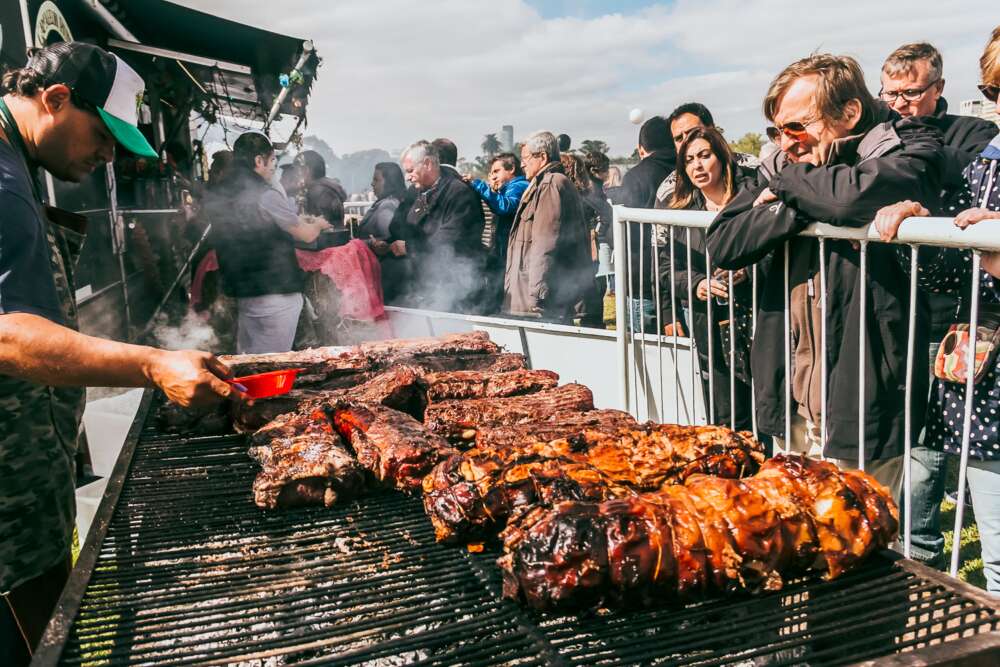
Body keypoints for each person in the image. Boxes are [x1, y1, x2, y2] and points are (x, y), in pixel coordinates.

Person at [0, 42, 237, 665]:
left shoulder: (15, 163)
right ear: (55, 100)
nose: (109, 156)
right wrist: (154, 364)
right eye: (103, 136)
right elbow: (6, 333)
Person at [705, 53, 956, 492]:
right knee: (792, 537)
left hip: (864, 403)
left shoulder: (909, 144)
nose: (786, 145)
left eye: (797, 127)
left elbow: (845, 201)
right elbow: (723, 240)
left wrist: (787, 190)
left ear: (850, 113)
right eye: (776, 131)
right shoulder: (782, 164)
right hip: (791, 397)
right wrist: (804, 206)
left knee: (863, 543)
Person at [872, 27, 1000, 587]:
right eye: (891, 96)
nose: (901, 106)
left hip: (971, 311)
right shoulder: (982, 149)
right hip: (941, 317)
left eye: (912, 94)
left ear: (939, 88)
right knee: (931, 442)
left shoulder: (971, 135)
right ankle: (922, 559)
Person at [658, 127, 755, 430]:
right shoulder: (679, 209)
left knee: (763, 408)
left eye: (704, 156)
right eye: (689, 160)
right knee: (725, 412)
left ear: (722, 156)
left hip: (758, 316)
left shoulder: (752, 195)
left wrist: (748, 269)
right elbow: (664, 269)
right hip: (709, 323)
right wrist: (697, 283)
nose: (698, 166)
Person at [207, 132, 330, 354]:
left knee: (249, 363)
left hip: (244, 294)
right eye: (272, 160)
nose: (274, 166)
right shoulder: (266, 194)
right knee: (271, 365)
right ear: (258, 160)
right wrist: (320, 224)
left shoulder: (221, 193)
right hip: (276, 293)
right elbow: (306, 235)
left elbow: (258, 223)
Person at [504, 131, 594, 324]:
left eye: (526, 158)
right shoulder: (544, 183)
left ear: (543, 156)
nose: (522, 164)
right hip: (546, 298)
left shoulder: (551, 183)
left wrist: (537, 294)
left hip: (549, 302)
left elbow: (545, 243)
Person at [393, 140, 486, 313]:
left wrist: (410, 247)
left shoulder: (460, 192)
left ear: (428, 163)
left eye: (410, 171)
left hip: (457, 286)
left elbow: (451, 238)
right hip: (426, 283)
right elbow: (402, 224)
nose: (407, 177)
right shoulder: (419, 193)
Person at [607, 116, 676, 332]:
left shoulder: (636, 176)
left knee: (646, 358)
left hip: (644, 282)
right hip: (685, 282)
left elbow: (619, 233)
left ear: (641, 148)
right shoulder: (688, 169)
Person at [656, 102, 759, 206]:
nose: (686, 141)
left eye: (692, 133)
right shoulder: (668, 191)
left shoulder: (752, 168)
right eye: (678, 138)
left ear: (712, 130)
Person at [560, 152, 604, 328]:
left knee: (579, 311)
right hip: (581, 258)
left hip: (576, 258)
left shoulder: (579, 197)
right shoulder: (586, 193)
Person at [468, 152, 529, 263]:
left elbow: (505, 206)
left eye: (496, 171)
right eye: (491, 174)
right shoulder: (508, 189)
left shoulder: (519, 186)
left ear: (511, 169)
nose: (493, 177)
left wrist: (478, 184)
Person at [584, 150, 615, 296]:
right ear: (593, 171)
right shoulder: (591, 189)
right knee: (598, 281)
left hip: (595, 238)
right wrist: (598, 232)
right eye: (605, 170)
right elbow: (607, 213)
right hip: (595, 241)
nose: (607, 173)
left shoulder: (590, 187)